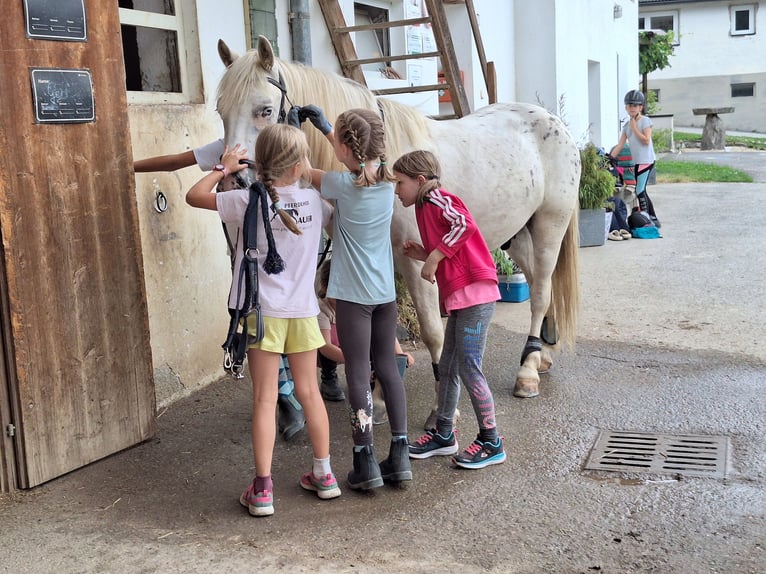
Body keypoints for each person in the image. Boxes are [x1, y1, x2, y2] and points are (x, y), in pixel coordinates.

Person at [185, 124, 340, 516]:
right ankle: (324, 475)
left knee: (264, 399)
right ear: (300, 163)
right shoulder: (315, 203)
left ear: (261, 162)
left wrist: (223, 167)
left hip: (260, 314)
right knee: (310, 394)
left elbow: (193, 196)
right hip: (303, 312)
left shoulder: (243, 199)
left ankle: (263, 490)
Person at [134, 141, 307, 441]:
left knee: (267, 332)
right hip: (262, 270)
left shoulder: (279, 143)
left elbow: (193, 192)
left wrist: (221, 169)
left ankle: (291, 394)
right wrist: (129, 166)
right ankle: (289, 396)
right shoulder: (232, 143)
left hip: (275, 266)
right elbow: (178, 159)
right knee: (272, 329)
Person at [299, 105, 412, 490]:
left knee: (358, 371)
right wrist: (332, 130)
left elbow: (302, 172)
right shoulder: (388, 181)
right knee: (388, 366)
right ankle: (400, 455)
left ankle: (365, 461)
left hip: (352, 296)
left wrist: (297, 135)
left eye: (339, 145)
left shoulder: (340, 185)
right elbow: (358, 161)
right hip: (385, 294)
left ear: (347, 148)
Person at [393, 150, 506, 470]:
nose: (397, 191)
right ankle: (444, 433)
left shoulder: (436, 198)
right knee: (448, 367)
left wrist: (432, 258)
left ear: (420, 180)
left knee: (469, 367)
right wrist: (424, 252)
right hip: (462, 297)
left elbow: (464, 224)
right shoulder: (422, 207)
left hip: (476, 294)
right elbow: (453, 246)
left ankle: (491, 440)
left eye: (399, 183)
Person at [315, 258, 414, 425]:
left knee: (375, 341)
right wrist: (355, 360)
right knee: (325, 346)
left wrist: (399, 354)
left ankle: (376, 380)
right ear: (326, 289)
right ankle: (329, 377)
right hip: (333, 349)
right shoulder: (322, 309)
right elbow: (325, 346)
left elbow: (385, 333)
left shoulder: (359, 306)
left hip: (356, 345)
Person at [610, 90, 661, 228]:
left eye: (635, 105)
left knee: (639, 190)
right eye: (629, 105)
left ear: (641, 107)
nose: (632, 108)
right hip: (638, 161)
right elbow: (620, 145)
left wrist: (635, 128)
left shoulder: (645, 121)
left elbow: (645, 140)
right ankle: (652, 217)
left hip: (647, 160)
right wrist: (609, 158)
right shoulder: (627, 126)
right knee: (642, 190)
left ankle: (646, 219)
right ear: (626, 107)